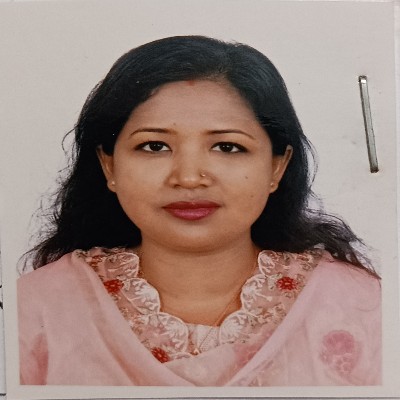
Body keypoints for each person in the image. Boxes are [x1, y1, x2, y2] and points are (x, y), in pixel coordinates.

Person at [18, 35, 381, 386]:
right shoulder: (36, 307)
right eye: (154, 146)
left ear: (277, 167)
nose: (189, 178)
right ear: (108, 165)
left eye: (227, 147)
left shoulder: (361, 306)